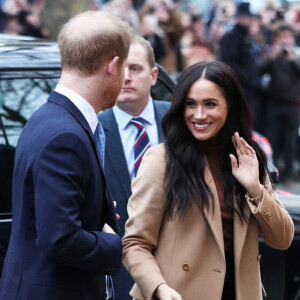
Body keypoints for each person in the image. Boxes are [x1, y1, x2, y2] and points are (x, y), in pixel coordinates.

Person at [122, 61, 294, 300]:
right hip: (177, 293)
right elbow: (135, 244)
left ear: (230, 106)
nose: (199, 115)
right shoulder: (161, 160)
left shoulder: (247, 157)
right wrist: (158, 288)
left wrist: (255, 188)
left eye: (210, 104)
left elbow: (282, 239)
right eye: (190, 104)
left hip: (240, 292)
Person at [0, 10, 134, 300]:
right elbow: (59, 238)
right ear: (113, 66)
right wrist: (113, 244)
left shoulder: (47, 117)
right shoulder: (65, 135)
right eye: (125, 68)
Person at [98, 35, 170, 300]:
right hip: (118, 276)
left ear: (153, 75)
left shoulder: (182, 121)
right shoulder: (91, 130)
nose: (126, 77)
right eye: (120, 69)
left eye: (135, 68)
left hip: (181, 271)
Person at [259, 25, 300, 185]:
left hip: (292, 106)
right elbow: (259, 72)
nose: (285, 41)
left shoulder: (297, 55)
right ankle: (271, 173)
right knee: (272, 140)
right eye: (281, 37)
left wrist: (293, 59)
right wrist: (271, 58)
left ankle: (288, 174)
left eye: (287, 37)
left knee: (290, 141)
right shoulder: (272, 55)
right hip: (274, 104)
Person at [219, 2, 258, 124]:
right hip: (237, 86)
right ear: (239, 18)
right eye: (246, 17)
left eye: (249, 18)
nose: (249, 21)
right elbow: (228, 63)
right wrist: (246, 76)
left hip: (250, 88)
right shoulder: (230, 37)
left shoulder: (248, 36)